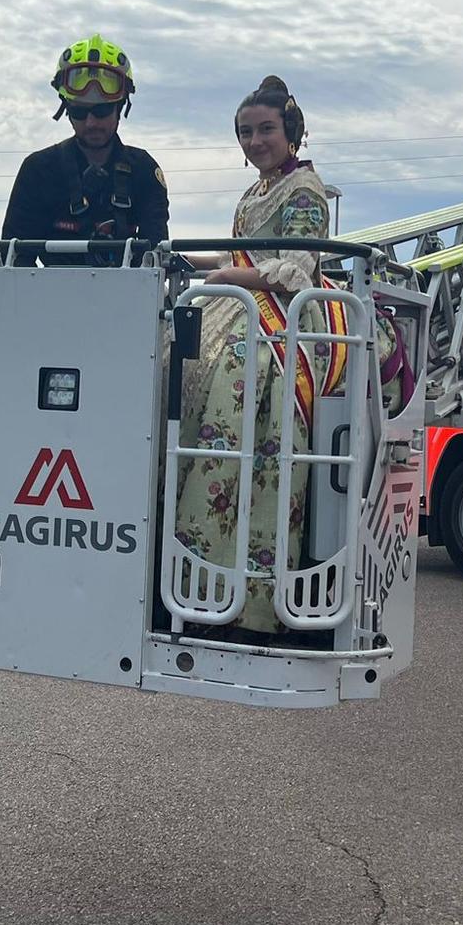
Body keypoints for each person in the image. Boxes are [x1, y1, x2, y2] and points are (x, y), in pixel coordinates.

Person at [170, 77, 340, 637]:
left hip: (282, 321)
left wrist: (224, 276)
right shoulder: (256, 191)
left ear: (289, 130)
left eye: (265, 129)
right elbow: (244, 256)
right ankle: (204, 584)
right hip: (243, 304)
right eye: (245, 132)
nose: (254, 140)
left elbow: (295, 268)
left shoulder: (306, 189)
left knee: (248, 425)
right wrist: (196, 263)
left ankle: (252, 603)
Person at [1, 33, 171, 264]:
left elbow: (156, 256)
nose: (91, 123)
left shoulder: (144, 169)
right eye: (79, 112)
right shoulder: (38, 169)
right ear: (66, 111)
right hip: (47, 296)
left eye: (101, 111)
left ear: (120, 108)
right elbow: (14, 259)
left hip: (131, 296)